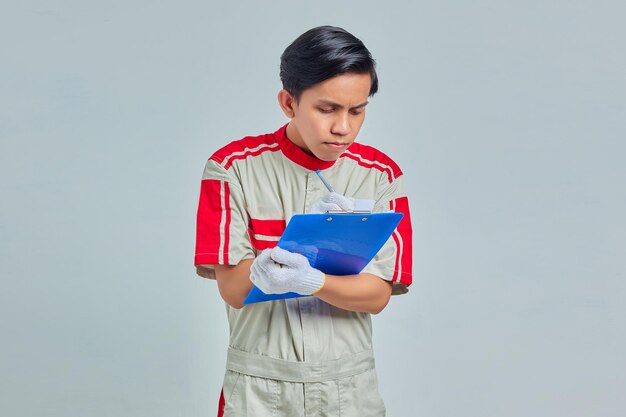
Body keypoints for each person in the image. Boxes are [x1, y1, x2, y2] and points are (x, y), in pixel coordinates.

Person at [194, 25, 413, 417]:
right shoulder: (231, 168)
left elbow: (378, 295)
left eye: (357, 110)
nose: (343, 127)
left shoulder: (381, 175)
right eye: (327, 108)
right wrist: (267, 267)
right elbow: (232, 290)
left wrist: (313, 280)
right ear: (289, 102)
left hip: (350, 388)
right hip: (259, 390)